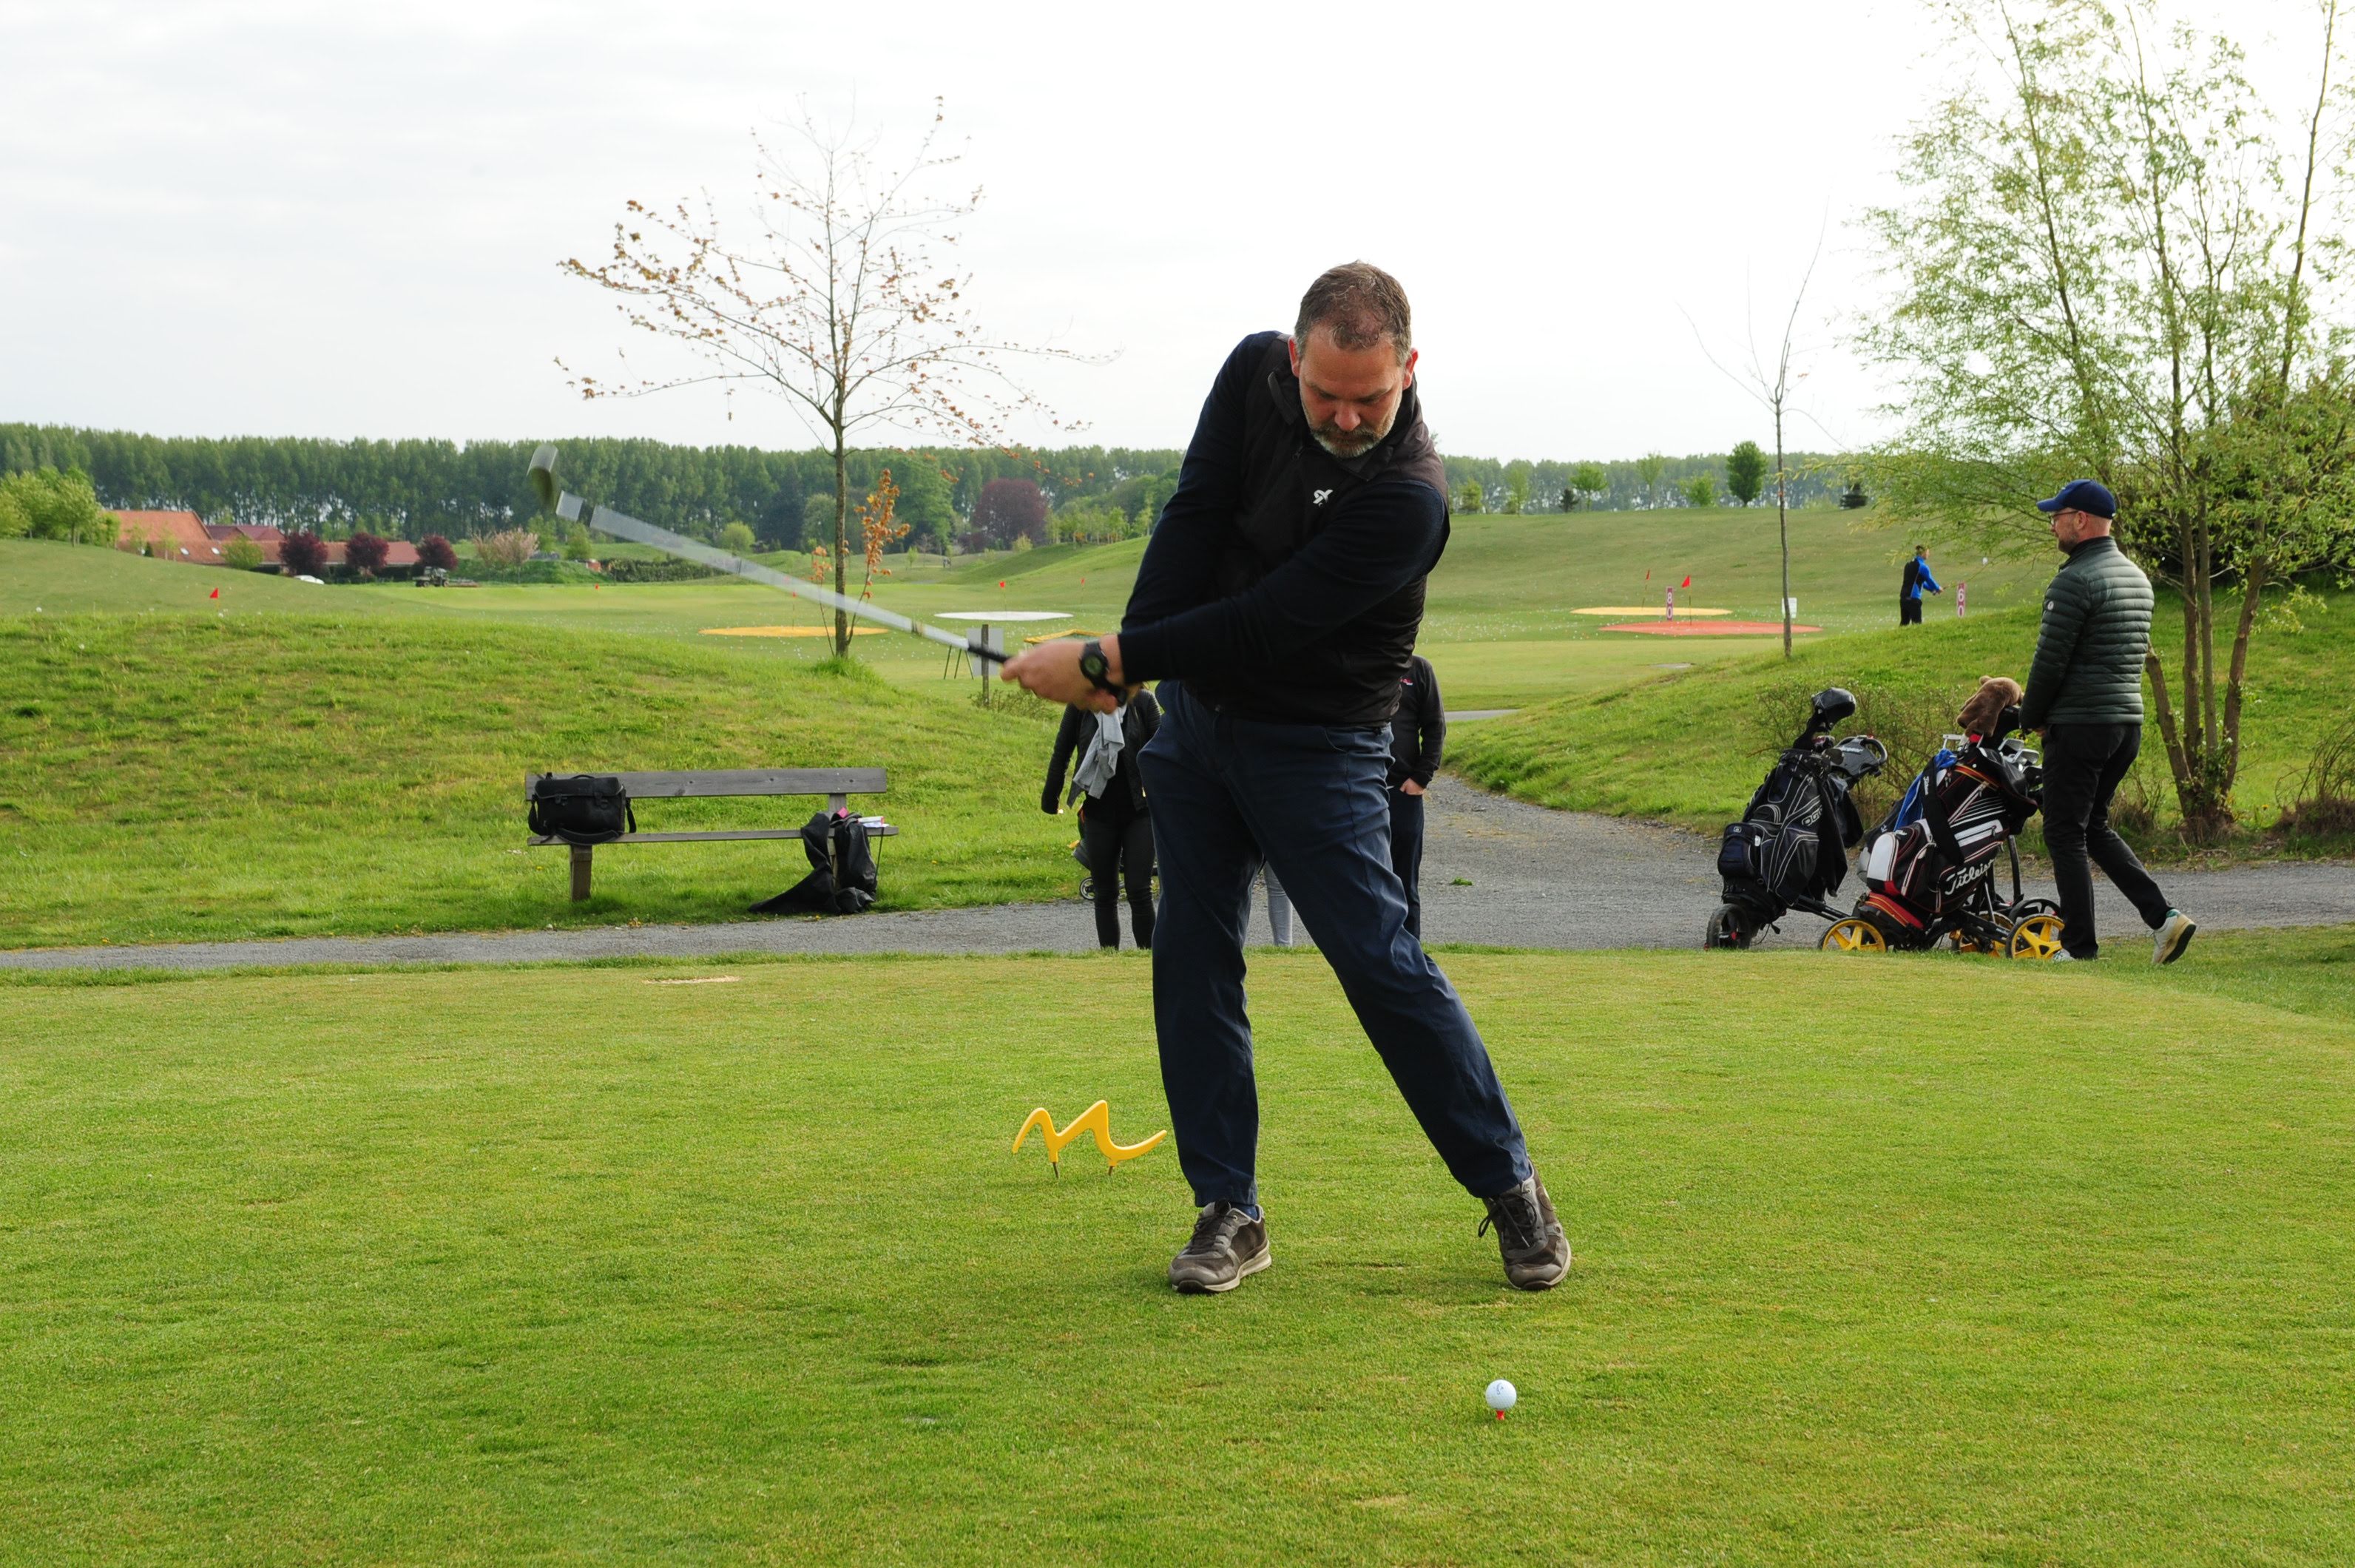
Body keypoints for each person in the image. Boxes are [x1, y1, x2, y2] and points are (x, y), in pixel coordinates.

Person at [1000, 262, 1569, 1295]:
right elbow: (1194, 516)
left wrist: (1111, 656)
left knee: (1380, 963)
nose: (1346, 418)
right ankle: (1229, 1209)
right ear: (1295, 357)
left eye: (1370, 398)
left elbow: (1266, 623)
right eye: (1326, 393)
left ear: (1409, 369)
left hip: (1322, 745)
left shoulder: (1410, 500)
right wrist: (1123, 667)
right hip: (1201, 732)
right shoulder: (1249, 374)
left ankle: (1509, 1183)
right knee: (1191, 954)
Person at [2020, 479, 2197, 964]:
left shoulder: (2074, 580)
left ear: (2080, 520)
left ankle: (2079, 948)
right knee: (2092, 826)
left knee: (2063, 831)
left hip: (2081, 726)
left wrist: (2030, 716)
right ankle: (2164, 919)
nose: (2052, 524)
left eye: (2057, 516)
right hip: (2125, 725)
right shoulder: (2137, 578)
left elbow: (2050, 662)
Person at [1041, 688, 1161, 950]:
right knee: (1105, 892)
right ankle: (1108, 961)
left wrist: (1172, 801)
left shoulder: (1143, 702)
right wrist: (1051, 798)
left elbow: (1163, 754)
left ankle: (1149, 961)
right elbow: (1062, 751)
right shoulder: (1080, 704)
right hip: (1098, 811)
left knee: (1139, 890)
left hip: (1140, 812)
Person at [1388, 652, 1445, 939]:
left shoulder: (1418, 669)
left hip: (1403, 791)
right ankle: (1368, 953)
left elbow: (1435, 726)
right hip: (1361, 790)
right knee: (1362, 880)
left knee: (1404, 880)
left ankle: (1409, 952)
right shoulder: (1361, 663)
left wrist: (1421, 778)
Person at [1899, 544, 1942, 625]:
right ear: (1923, 553)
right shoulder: (1922, 567)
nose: (1929, 554)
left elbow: (1920, 582)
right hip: (1913, 599)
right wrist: (1938, 588)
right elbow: (1930, 580)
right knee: (1917, 624)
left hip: (1903, 598)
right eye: (1928, 552)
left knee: (1904, 623)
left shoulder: (1908, 564)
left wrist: (1932, 590)